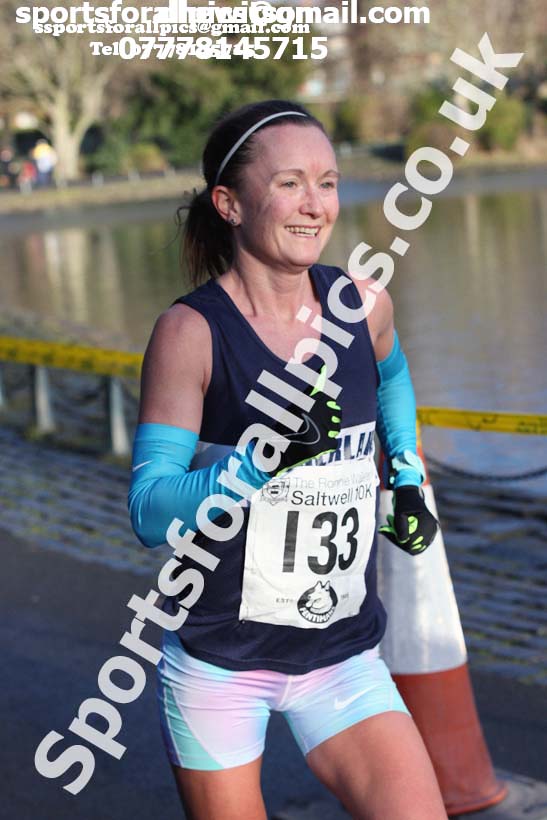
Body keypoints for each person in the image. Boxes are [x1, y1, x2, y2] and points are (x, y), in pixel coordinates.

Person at [128, 99, 446, 820]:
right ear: (229, 203)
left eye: (328, 183)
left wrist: (403, 477)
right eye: (290, 183)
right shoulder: (190, 333)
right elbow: (150, 511)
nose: (315, 206)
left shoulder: (361, 305)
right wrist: (261, 463)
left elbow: (392, 379)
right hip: (221, 668)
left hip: (342, 659)